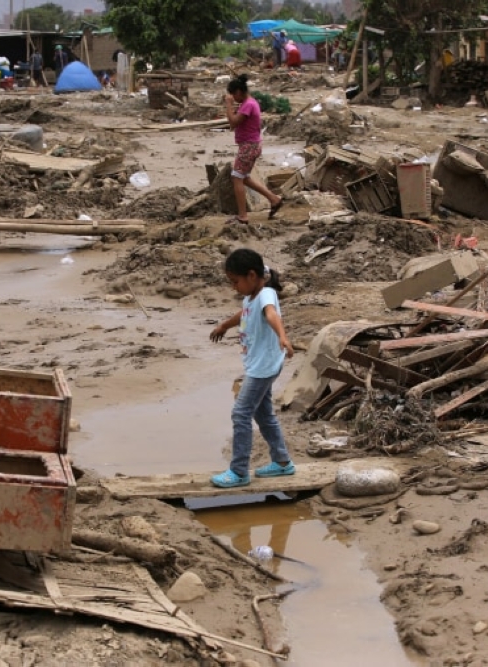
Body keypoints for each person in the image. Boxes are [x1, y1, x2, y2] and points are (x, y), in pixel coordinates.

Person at [209, 248, 295, 489]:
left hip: (263, 367)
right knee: (263, 413)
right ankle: (281, 462)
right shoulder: (251, 296)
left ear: (252, 276)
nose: (234, 287)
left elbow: (271, 315)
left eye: (235, 282)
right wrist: (224, 325)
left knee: (241, 413)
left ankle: (238, 472)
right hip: (260, 364)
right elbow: (245, 312)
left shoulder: (266, 294)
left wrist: (283, 336)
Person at [223, 74, 284, 225]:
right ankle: (274, 199)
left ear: (238, 92)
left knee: (236, 177)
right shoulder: (248, 103)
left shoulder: (248, 105)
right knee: (245, 178)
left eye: (233, 95)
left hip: (249, 146)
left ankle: (243, 216)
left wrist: (229, 105)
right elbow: (233, 125)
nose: (233, 98)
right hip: (251, 145)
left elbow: (233, 122)